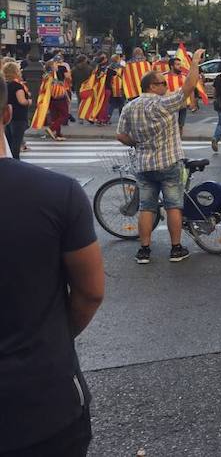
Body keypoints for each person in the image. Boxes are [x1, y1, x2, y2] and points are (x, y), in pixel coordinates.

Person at [0, 76, 105, 457]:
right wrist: (53, 336)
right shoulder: (57, 193)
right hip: (42, 402)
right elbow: (91, 292)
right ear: (8, 113)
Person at [116, 49, 206, 264]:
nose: (166, 86)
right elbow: (188, 87)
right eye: (162, 84)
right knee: (173, 205)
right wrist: (194, 63)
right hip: (168, 162)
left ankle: (144, 250)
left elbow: (120, 135)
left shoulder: (130, 107)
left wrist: (135, 142)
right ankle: (176, 249)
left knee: (146, 207)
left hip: (144, 165)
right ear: (151, 87)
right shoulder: (162, 104)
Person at [3, 60, 31, 159]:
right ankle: (15, 161)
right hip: (18, 116)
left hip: (7, 116)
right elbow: (22, 101)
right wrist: (29, 101)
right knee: (16, 140)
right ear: (15, 72)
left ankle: (9, 160)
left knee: (9, 140)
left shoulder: (4, 84)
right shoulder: (17, 86)